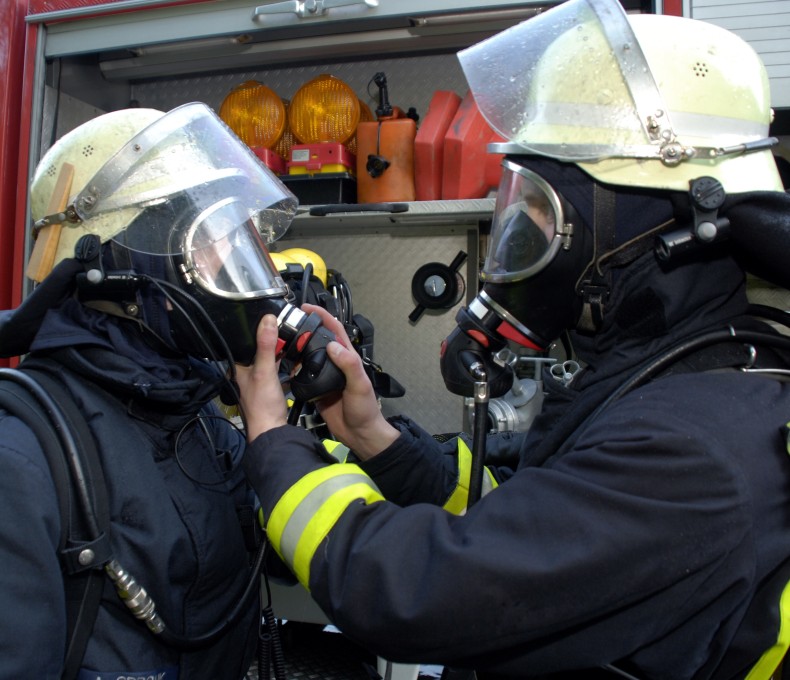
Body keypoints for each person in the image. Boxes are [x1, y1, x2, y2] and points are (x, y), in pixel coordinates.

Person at [235, 0, 790, 678]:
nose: (520, 241)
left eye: (538, 210)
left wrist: (273, 447)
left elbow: (420, 593)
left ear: (625, 227)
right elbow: (530, 523)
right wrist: (374, 437)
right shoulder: (677, 381)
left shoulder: (691, 453)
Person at [0, 101, 322, 679]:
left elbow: (280, 560)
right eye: (211, 243)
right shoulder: (21, 456)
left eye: (242, 243)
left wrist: (294, 441)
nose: (240, 270)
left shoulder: (200, 419)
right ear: (120, 261)